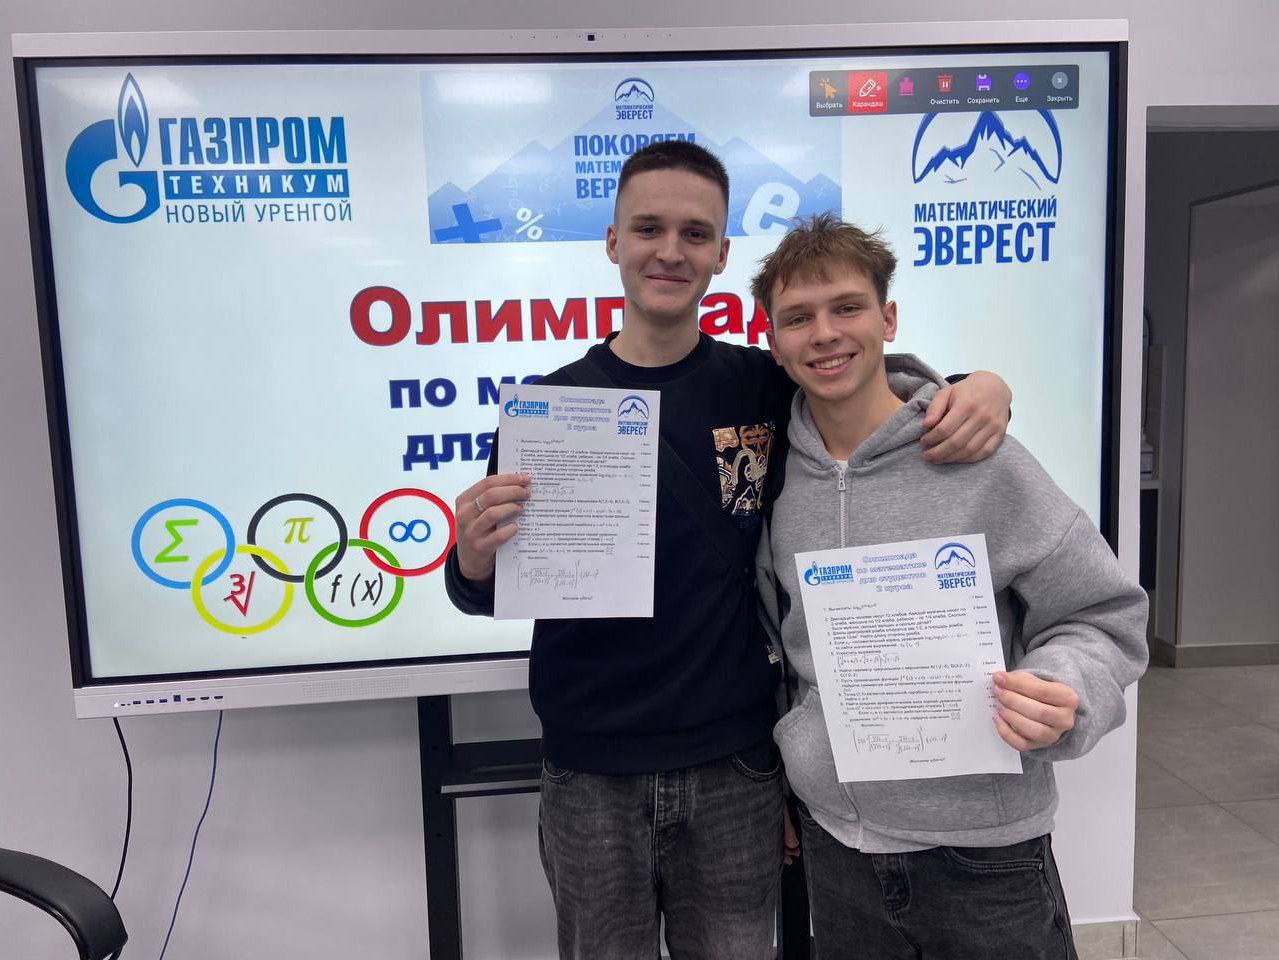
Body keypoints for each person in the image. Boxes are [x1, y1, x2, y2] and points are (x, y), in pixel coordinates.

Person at [444, 143, 1012, 960]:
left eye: (694, 233)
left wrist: (983, 384)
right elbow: (485, 585)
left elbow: (870, 390)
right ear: (612, 242)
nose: (670, 251)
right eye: (648, 228)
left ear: (720, 253)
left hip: (735, 768)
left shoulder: (764, 385)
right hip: (589, 771)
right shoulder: (549, 409)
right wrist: (470, 560)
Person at [753, 212, 1148, 960]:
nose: (825, 333)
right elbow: (777, 646)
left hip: (984, 856)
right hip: (836, 849)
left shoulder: (981, 457)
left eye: (847, 307)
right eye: (798, 317)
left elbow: (1104, 614)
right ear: (773, 341)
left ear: (887, 319)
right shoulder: (771, 476)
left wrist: (1063, 684)